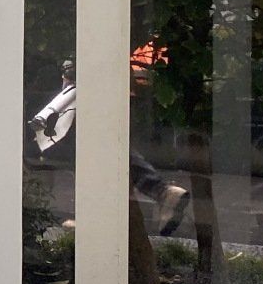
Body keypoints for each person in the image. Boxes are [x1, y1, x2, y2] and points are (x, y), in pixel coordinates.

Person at [30, 57, 190, 235]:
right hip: (95, 80)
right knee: (97, 149)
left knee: (98, 146)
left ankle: (161, 191)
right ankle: (159, 191)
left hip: (87, 83)